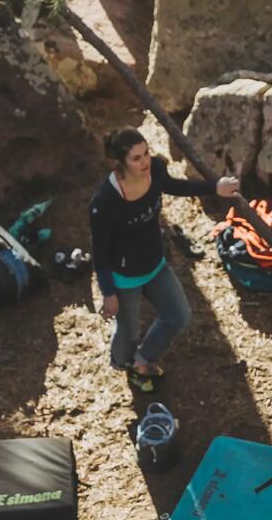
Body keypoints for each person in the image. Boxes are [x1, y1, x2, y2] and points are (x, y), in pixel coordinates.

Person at [87, 127, 240, 394]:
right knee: (129, 331)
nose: (145, 161)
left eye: (146, 153)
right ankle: (124, 365)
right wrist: (109, 293)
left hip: (155, 264)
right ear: (120, 163)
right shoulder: (105, 203)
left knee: (179, 316)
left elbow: (175, 186)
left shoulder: (155, 170)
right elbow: (99, 254)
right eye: (136, 158)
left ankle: (142, 360)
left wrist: (215, 187)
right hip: (125, 277)